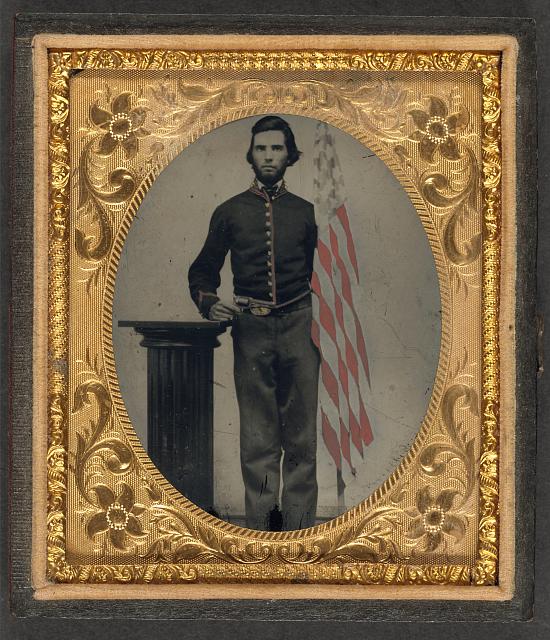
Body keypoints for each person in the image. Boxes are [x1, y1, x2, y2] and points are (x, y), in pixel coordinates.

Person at [188, 116, 320, 531]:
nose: (268, 156)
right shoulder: (228, 212)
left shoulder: (305, 212)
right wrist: (209, 304)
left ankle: (297, 534)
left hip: (301, 329)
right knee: (258, 441)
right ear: (251, 154)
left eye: (276, 148)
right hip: (251, 334)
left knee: (301, 440)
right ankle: (263, 534)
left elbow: (322, 274)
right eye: (261, 148)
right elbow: (202, 272)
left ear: (289, 155)